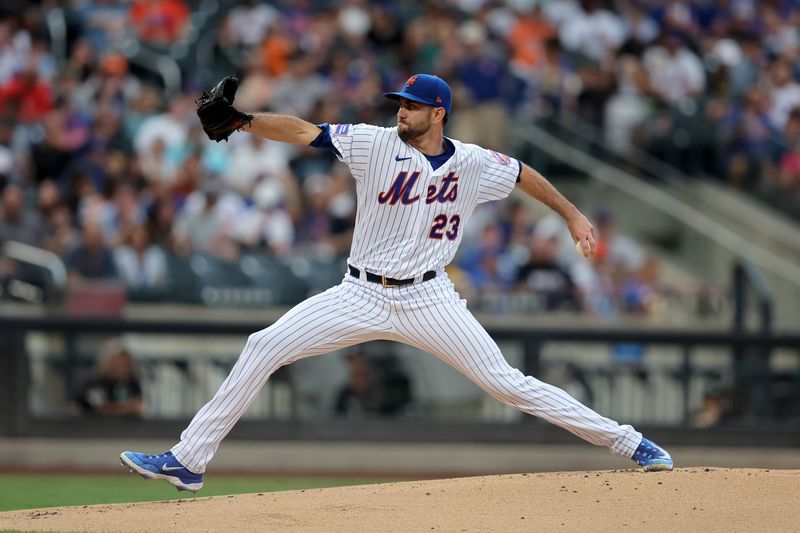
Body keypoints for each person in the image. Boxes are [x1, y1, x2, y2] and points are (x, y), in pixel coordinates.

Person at [120, 73, 673, 493]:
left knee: (508, 384)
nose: (400, 111)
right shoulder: (373, 143)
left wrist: (572, 215)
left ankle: (631, 442)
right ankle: (188, 461)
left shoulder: (475, 162)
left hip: (430, 296)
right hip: (359, 292)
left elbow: (523, 172)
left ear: (438, 113)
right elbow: (303, 131)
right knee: (263, 345)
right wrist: (243, 121)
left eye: (410, 105)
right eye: (399, 103)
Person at [74, 339, 143, 418]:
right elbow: (99, 408)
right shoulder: (96, 382)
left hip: (127, 428)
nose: (121, 366)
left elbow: (137, 407)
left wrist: (116, 408)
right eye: (117, 362)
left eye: (124, 363)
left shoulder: (133, 382)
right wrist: (125, 408)